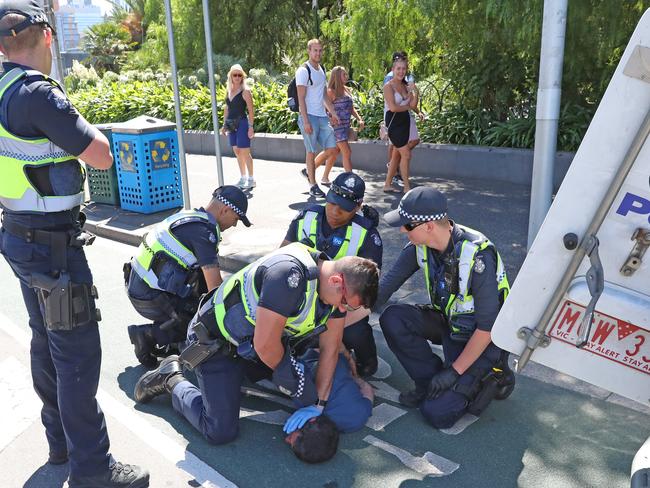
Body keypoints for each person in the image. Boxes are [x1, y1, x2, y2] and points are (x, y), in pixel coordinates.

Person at [0, 2, 149, 486]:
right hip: (54, 249)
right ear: (47, 36)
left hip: (21, 237)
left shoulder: (2, 90)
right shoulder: (37, 95)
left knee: (47, 343)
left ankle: (60, 446)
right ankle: (94, 470)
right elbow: (101, 156)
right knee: (77, 357)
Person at [133, 242, 379, 446]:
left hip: (252, 348)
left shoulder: (334, 293)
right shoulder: (288, 276)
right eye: (347, 303)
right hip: (217, 345)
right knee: (220, 431)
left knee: (306, 392)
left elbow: (330, 350)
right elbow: (266, 346)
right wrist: (299, 386)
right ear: (337, 281)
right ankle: (171, 378)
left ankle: (233, 383)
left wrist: (318, 404)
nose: (344, 310)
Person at [375, 187, 515, 429]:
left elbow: (487, 328)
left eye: (408, 226)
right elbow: (383, 290)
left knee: (437, 414)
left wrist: (454, 372)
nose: (401, 230)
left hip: (482, 339)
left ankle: (496, 374)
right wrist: (341, 314)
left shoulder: (477, 256)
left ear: (428, 226)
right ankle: (428, 383)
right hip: (450, 324)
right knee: (393, 318)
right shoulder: (420, 246)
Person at [125, 185, 251, 368]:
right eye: (236, 219)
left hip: (139, 284)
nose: (234, 224)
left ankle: (170, 335)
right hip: (147, 297)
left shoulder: (191, 218)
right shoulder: (204, 233)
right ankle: (147, 336)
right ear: (225, 210)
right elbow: (215, 288)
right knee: (201, 321)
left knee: (200, 291)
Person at [280, 172, 382, 376]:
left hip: (342, 304)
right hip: (302, 297)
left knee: (355, 332)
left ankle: (366, 359)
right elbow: (281, 256)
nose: (335, 212)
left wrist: (329, 323)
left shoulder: (367, 235)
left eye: (344, 208)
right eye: (332, 203)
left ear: (358, 207)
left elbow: (368, 294)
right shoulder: (305, 217)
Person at [283, 348, 374, 463]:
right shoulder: (306, 401)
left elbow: (367, 389)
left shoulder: (357, 420)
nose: (286, 439)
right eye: (291, 438)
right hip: (324, 350)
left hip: (340, 355)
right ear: (312, 420)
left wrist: (354, 378)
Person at [296, 38, 340, 198]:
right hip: (310, 116)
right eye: (315, 50)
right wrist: (305, 120)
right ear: (309, 51)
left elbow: (322, 94)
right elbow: (301, 97)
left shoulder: (321, 69)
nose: (318, 53)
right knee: (311, 151)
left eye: (320, 50)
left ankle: (309, 171)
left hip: (322, 116)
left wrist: (333, 112)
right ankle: (312, 185)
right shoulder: (303, 70)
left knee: (333, 149)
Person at [312, 66, 364, 185]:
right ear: (336, 76)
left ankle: (318, 174)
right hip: (336, 128)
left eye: (346, 74)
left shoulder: (346, 90)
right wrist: (330, 120)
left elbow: (351, 108)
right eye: (344, 75)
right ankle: (351, 180)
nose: (346, 77)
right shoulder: (331, 91)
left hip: (345, 126)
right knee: (347, 152)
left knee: (333, 152)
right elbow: (323, 109)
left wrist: (359, 119)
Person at [382, 54, 422, 194]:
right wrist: (408, 107)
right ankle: (406, 187)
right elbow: (393, 107)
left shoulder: (406, 85)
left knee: (397, 155)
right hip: (394, 123)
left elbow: (412, 104)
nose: (401, 71)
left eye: (403, 69)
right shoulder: (388, 86)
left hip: (404, 121)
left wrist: (415, 90)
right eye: (398, 68)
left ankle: (387, 184)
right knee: (406, 154)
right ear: (393, 69)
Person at [221, 64, 256, 189]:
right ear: (231, 76)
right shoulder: (229, 90)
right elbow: (227, 108)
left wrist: (251, 127)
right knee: (237, 151)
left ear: (243, 77)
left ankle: (251, 179)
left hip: (242, 123)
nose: (237, 77)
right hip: (230, 123)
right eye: (234, 75)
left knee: (245, 151)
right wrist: (224, 125)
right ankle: (243, 177)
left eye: (239, 75)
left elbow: (251, 110)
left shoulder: (245, 91)